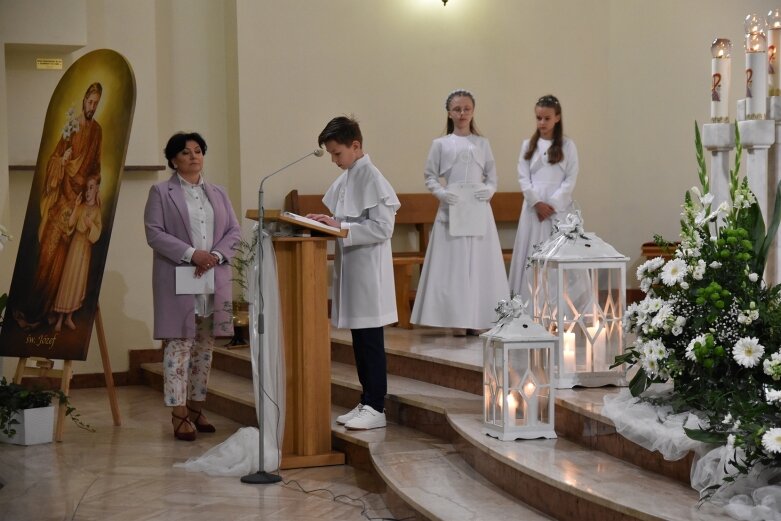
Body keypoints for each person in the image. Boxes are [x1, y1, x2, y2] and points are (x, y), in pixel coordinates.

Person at [144, 132, 241, 441]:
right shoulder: (161, 192)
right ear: (173, 159)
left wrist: (213, 255)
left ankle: (198, 408)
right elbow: (154, 233)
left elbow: (234, 231)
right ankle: (179, 412)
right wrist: (192, 254)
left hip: (212, 277)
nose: (193, 156)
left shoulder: (219, 193)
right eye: (185, 153)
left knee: (205, 345)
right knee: (178, 346)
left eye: (198, 151)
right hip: (177, 276)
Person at [307, 116, 400, 431]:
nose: (334, 160)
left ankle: (377, 404)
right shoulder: (349, 176)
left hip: (369, 272)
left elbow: (383, 228)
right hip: (353, 269)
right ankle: (367, 400)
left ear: (355, 145)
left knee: (371, 339)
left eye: (337, 153)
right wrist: (328, 220)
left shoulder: (372, 178)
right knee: (360, 340)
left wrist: (341, 226)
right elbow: (344, 218)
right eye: (332, 154)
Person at [410, 89, 510, 336]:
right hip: (451, 211)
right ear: (449, 113)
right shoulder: (440, 144)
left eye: (466, 108)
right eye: (457, 109)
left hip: (478, 211)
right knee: (453, 264)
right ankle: (455, 318)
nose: (462, 113)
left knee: (479, 262)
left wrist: (489, 191)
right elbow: (430, 176)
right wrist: (442, 194)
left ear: (473, 111)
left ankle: (479, 318)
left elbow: (492, 176)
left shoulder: (482, 143)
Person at [14, 82, 103, 329]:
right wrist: (61, 161)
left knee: (65, 266)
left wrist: (91, 189)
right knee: (47, 257)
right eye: (90, 101)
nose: (92, 106)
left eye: (96, 103)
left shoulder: (97, 131)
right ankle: (33, 310)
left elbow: (96, 166)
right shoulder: (71, 126)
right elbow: (53, 159)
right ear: (84, 99)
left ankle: (53, 311)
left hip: (79, 204)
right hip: (61, 203)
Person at [508, 95, 579, 302]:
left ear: (557, 118)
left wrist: (553, 204)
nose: (542, 123)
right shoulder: (527, 146)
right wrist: (537, 203)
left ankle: (560, 306)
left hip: (559, 211)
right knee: (532, 254)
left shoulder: (568, 146)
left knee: (558, 256)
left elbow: (570, 178)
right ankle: (530, 304)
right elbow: (523, 177)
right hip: (533, 210)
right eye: (538, 118)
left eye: (546, 118)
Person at [52, 174, 103, 332]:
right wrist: (75, 206)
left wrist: (90, 226)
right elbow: (71, 223)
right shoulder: (81, 207)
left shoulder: (97, 211)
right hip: (75, 247)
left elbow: (97, 233)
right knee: (68, 279)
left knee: (78, 281)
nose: (88, 191)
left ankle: (69, 318)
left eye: (91, 188)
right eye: (86, 188)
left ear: (96, 190)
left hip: (85, 251)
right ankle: (60, 318)